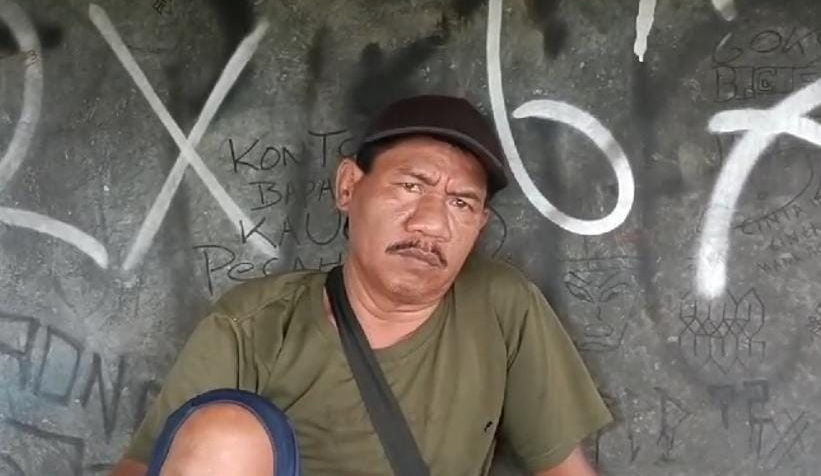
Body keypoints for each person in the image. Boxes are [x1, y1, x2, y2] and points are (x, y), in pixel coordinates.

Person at [111, 95, 613, 476]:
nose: (431, 223)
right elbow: (149, 468)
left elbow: (563, 471)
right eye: (410, 186)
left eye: (461, 203)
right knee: (225, 435)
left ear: (479, 225)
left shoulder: (499, 304)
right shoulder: (255, 324)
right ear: (349, 186)